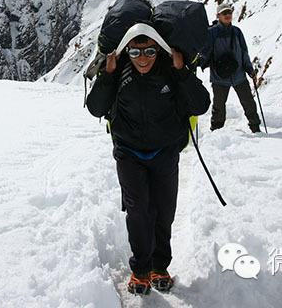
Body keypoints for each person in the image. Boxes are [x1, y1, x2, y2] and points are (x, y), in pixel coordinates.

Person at [86, 23, 210, 296]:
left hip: (165, 151)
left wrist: (182, 72)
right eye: (135, 52)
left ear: (159, 50)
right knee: (139, 211)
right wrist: (107, 76)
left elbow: (201, 103)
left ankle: (159, 266)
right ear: (126, 51)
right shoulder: (118, 73)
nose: (143, 58)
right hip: (129, 153)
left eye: (150, 51)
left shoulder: (171, 72)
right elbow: (95, 107)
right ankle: (141, 269)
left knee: (164, 211)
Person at [199, 2, 262, 133]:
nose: (227, 15)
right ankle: (216, 130)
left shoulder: (237, 32)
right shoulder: (212, 32)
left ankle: (255, 127)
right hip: (220, 76)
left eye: (229, 13)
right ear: (218, 16)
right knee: (219, 106)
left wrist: (249, 69)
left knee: (248, 102)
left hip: (237, 74)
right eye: (224, 13)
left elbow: (244, 52)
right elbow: (205, 51)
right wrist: (198, 62)